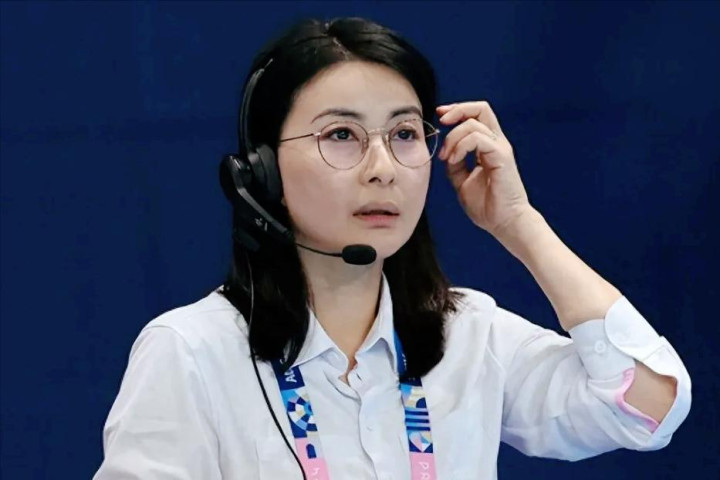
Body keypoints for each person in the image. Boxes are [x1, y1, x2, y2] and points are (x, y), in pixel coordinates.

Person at [94, 17, 691, 480]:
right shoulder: (191, 352)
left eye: (404, 134)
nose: (383, 167)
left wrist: (519, 224)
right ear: (263, 170)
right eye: (342, 135)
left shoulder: (469, 334)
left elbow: (649, 405)